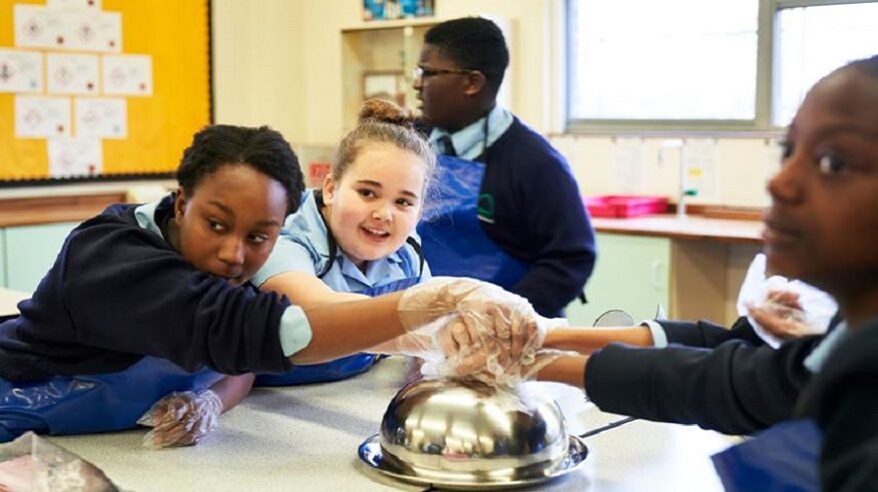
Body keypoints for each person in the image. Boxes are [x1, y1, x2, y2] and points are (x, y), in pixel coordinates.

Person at [0, 124, 542, 446]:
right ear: (182, 200)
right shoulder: (112, 258)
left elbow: (237, 357)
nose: (235, 254)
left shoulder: (225, 261)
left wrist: (209, 402)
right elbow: (271, 330)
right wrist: (437, 304)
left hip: (113, 444)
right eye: (216, 224)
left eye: (260, 236)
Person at [535, 56, 878, 491]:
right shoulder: (848, 339)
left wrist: (545, 357)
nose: (779, 183)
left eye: (832, 162)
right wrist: (544, 346)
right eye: (788, 151)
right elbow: (735, 373)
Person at [413, 16, 597, 318]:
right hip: (420, 326)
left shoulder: (536, 164)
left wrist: (499, 316)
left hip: (506, 337)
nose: (417, 84)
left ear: (472, 82)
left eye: (429, 72)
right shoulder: (411, 142)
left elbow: (571, 259)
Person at [249, 98, 436, 386]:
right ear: (331, 188)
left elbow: (428, 343)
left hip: (345, 392)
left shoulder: (408, 252)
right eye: (367, 193)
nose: (383, 214)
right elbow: (320, 312)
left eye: (403, 201)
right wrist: (436, 329)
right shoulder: (283, 230)